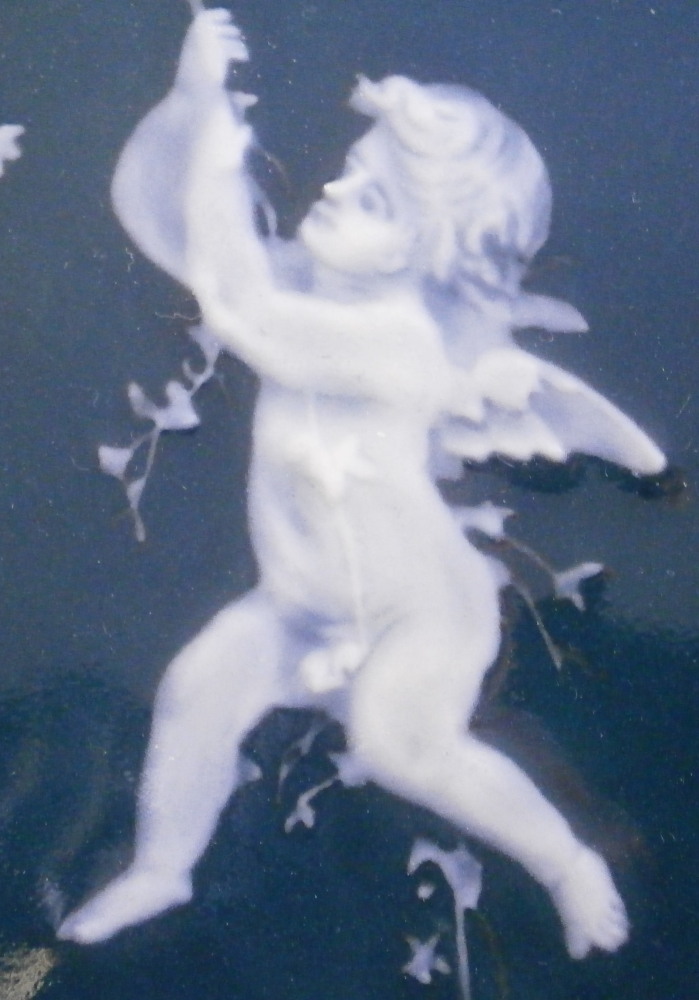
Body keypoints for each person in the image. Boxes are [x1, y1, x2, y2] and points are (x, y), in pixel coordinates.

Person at [59, 8, 663, 957]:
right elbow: (189, 241)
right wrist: (192, 102)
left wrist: (216, 157)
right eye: (350, 168)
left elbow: (240, 306)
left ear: (430, 253)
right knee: (195, 689)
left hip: (417, 613)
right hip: (297, 603)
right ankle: (160, 868)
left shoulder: (399, 344)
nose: (333, 187)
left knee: (400, 745)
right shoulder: (304, 281)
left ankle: (564, 862)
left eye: (373, 199)